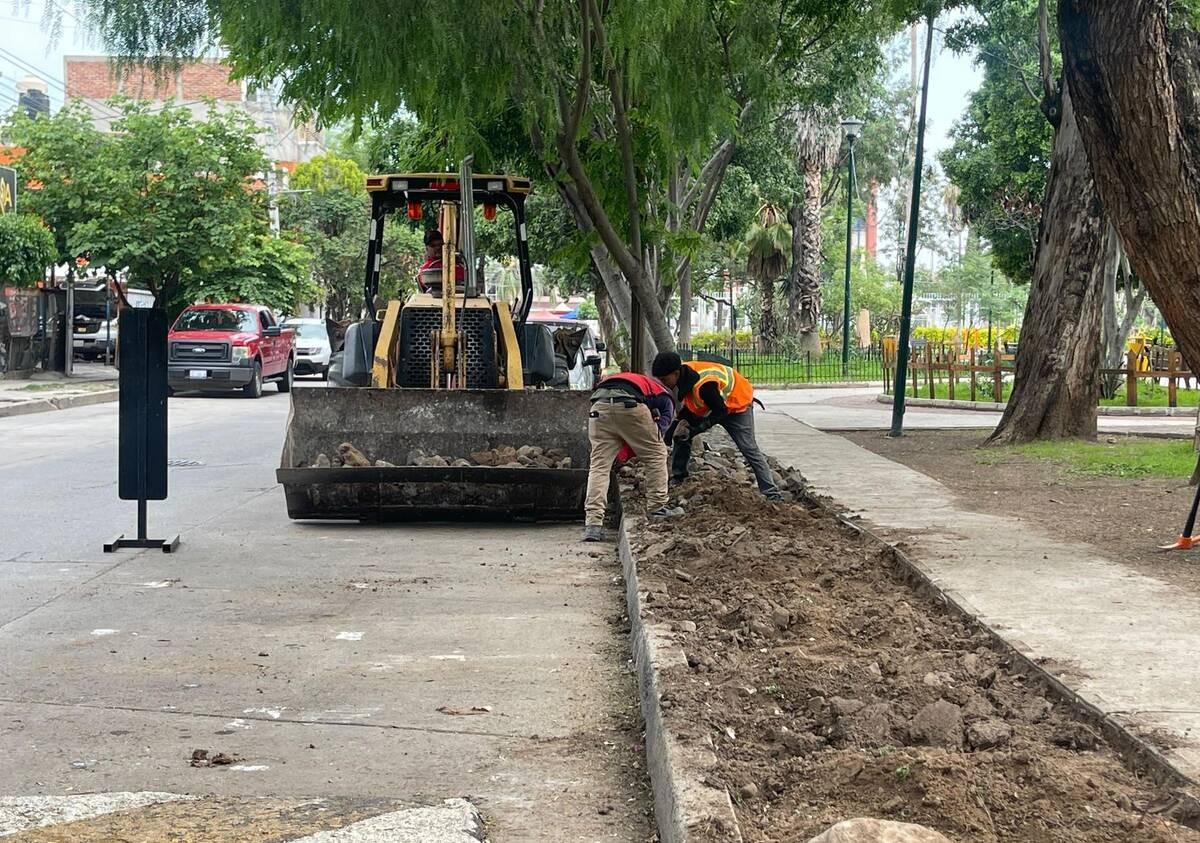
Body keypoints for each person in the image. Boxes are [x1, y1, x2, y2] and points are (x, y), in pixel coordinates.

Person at [650, 351, 782, 499]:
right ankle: (679, 477)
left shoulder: (704, 384)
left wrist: (697, 429)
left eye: (664, 379)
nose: (663, 383)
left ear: (675, 373)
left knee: (749, 448)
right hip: (713, 405)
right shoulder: (685, 375)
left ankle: (771, 493)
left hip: (737, 407)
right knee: (682, 434)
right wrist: (674, 428)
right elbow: (691, 406)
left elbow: (720, 411)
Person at [582, 370, 683, 542]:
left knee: (599, 467)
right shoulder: (665, 396)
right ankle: (657, 507)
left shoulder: (628, 380)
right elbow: (661, 429)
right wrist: (654, 435)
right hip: (629, 405)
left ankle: (593, 524)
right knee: (657, 454)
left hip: (599, 408)